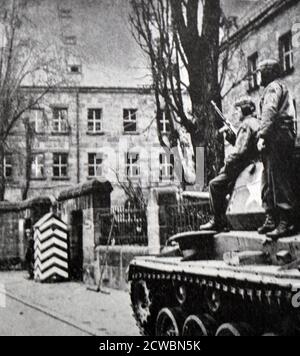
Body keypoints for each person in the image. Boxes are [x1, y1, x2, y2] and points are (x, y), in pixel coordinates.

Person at [201, 97, 260, 232]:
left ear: (244, 110)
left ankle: (217, 221)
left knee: (214, 185)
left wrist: (226, 164)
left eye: (237, 110)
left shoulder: (246, 124)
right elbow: (247, 145)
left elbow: (240, 152)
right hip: (251, 165)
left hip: (243, 166)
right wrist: (230, 134)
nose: (235, 113)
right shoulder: (255, 122)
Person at [256, 59, 297, 239]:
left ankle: (285, 222)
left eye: (260, 72)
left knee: (278, 177)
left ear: (268, 72)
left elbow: (270, 111)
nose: (258, 76)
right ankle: (275, 219)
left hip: (277, 134)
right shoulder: (279, 86)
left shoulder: (272, 87)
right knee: (271, 177)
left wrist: (262, 135)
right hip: (280, 133)